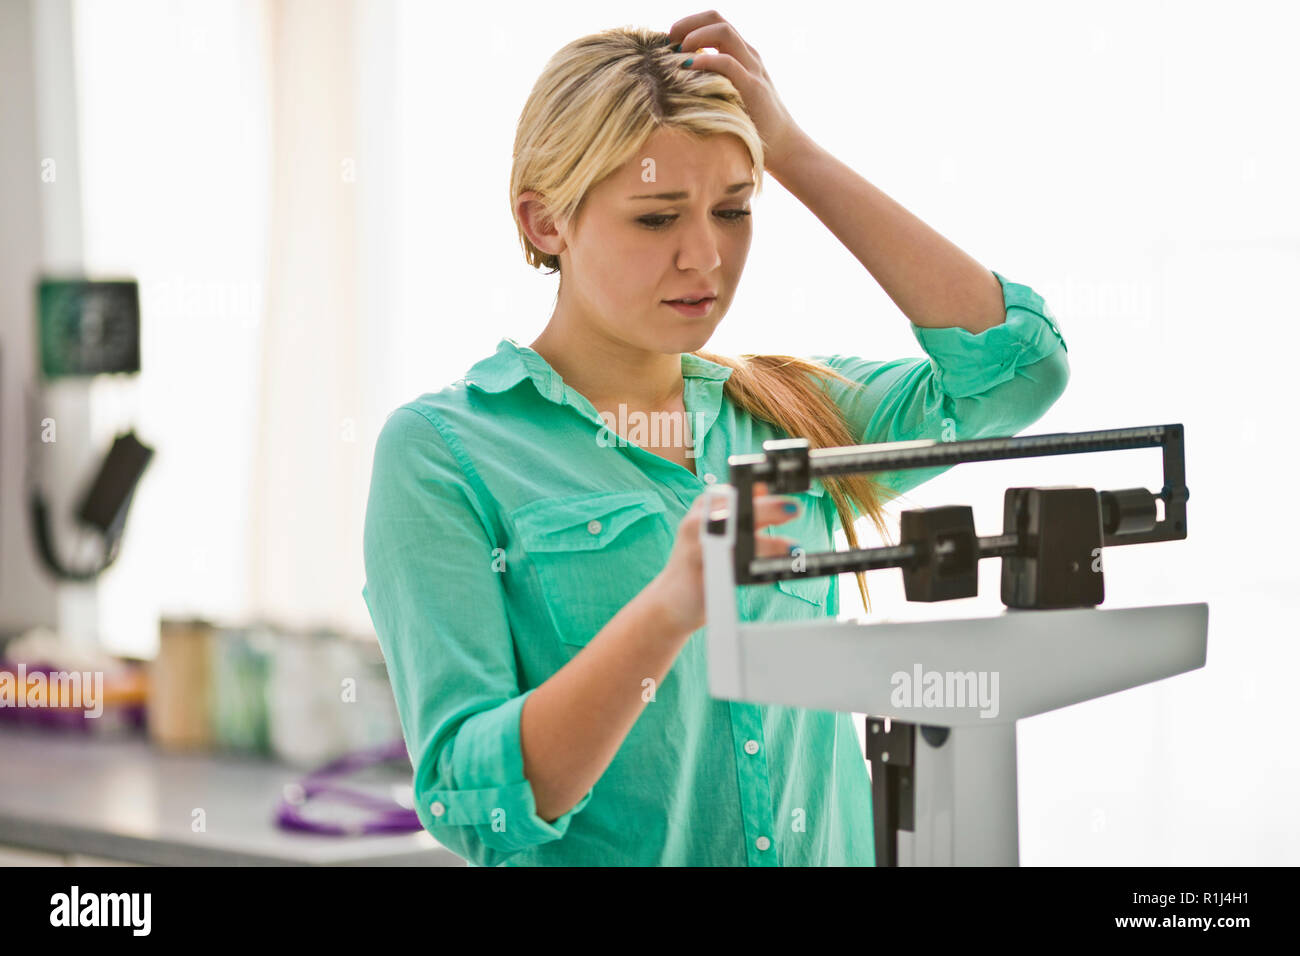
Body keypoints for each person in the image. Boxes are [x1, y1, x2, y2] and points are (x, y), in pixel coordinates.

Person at [361, 13, 1070, 866]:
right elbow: (474, 801)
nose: (706, 257)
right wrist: (667, 611)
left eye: (733, 209)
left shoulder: (793, 414)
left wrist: (793, 151)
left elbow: (1016, 369)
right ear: (546, 222)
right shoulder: (444, 454)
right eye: (658, 219)